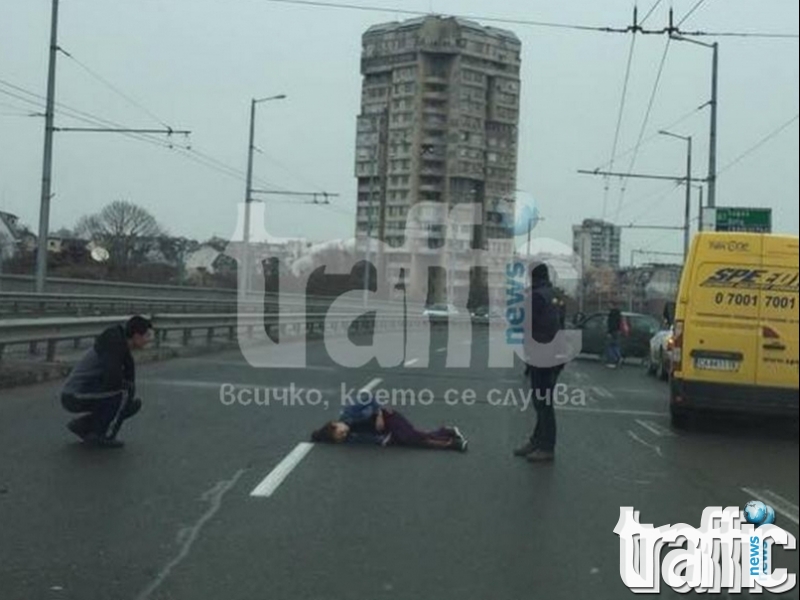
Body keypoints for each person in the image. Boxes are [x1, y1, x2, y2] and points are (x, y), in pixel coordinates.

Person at [61, 316, 152, 448]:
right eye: (147, 336)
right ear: (137, 336)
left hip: (85, 392)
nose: (148, 340)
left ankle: (84, 426)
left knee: (128, 402)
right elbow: (113, 378)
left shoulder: (122, 346)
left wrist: (126, 404)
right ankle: (103, 435)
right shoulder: (114, 344)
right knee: (123, 394)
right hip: (74, 394)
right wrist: (124, 399)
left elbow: (129, 376)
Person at [514, 263, 564, 463]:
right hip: (556, 354)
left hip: (542, 353)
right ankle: (537, 440)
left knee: (542, 402)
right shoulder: (554, 294)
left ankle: (546, 447)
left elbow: (526, 324)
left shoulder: (535, 296)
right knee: (544, 400)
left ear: (532, 277)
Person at [311, 395, 468, 452]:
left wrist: (379, 413)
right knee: (416, 437)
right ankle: (448, 432)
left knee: (411, 439)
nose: (344, 434)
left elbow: (369, 398)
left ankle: (452, 444)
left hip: (388, 417)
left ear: (334, 424)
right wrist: (383, 440)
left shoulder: (348, 412)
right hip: (387, 433)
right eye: (341, 437)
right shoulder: (350, 436)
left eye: (340, 431)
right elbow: (366, 439)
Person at [605, 304, 623, 368]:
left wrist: (609, 332)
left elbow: (611, 324)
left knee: (610, 346)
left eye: (609, 305)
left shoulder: (612, 313)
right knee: (615, 345)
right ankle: (618, 357)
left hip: (613, 331)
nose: (608, 306)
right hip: (617, 331)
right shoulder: (618, 313)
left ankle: (613, 361)